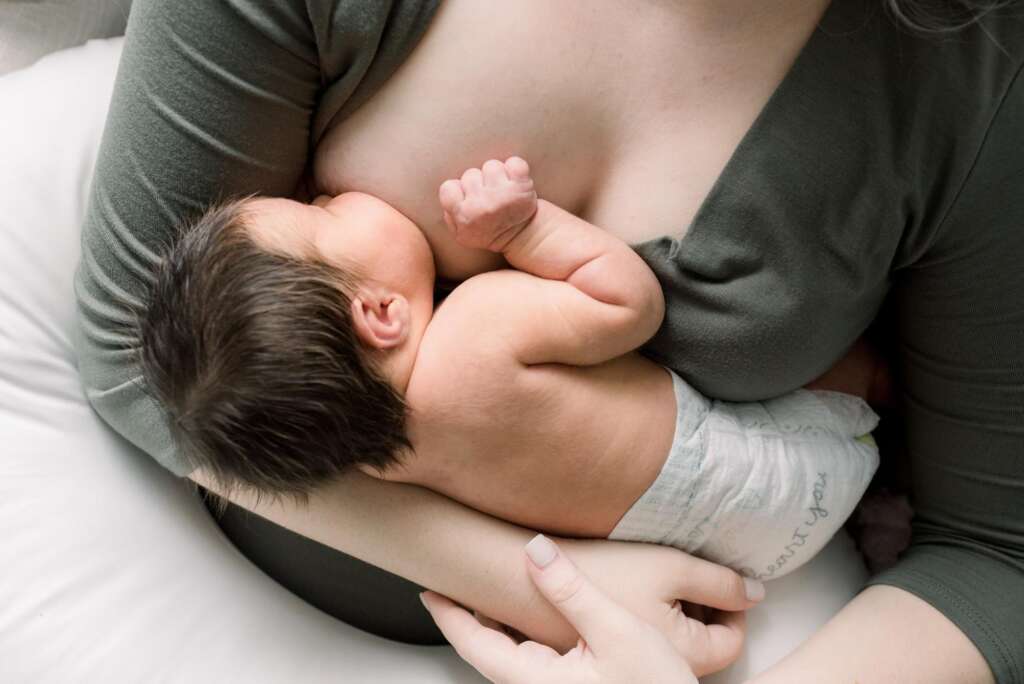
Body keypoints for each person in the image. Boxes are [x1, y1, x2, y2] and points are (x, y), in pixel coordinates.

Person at [75, 0, 1024, 681]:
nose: (331, 205)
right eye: (323, 209)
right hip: (226, 607)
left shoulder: (973, 68)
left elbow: (998, 555)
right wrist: (543, 588)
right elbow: (140, 354)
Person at [139, 157, 878, 581]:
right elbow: (632, 307)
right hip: (792, 463)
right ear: (381, 315)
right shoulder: (476, 332)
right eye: (324, 212)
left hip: (751, 552)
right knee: (852, 361)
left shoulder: (375, 462)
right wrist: (525, 229)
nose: (329, 192)